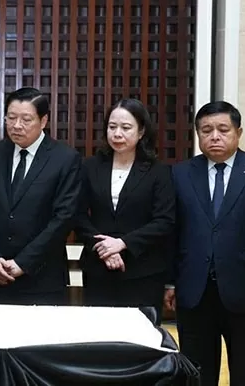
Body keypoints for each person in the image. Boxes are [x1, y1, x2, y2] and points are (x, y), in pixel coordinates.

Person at [165, 101, 245, 386]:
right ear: (198, 135)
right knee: (196, 371)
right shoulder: (179, 174)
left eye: (222, 129)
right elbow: (171, 233)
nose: (214, 136)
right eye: (206, 130)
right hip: (193, 290)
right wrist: (169, 282)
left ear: (238, 132)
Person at [0, 87, 82, 305]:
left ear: (43, 121)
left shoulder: (65, 159)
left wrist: (23, 263)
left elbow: (63, 219)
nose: (16, 126)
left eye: (26, 119)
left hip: (42, 279)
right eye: (11, 118)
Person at [74, 99, 175, 323]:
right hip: (98, 269)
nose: (117, 134)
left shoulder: (159, 172)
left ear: (141, 132)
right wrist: (105, 249)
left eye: (126, 128)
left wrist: (122, 243)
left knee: (140, 340)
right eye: (112, 127)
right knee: (99, 338)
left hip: (144, 271)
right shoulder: (90, 167)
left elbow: (164, 221)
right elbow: (77, 215)